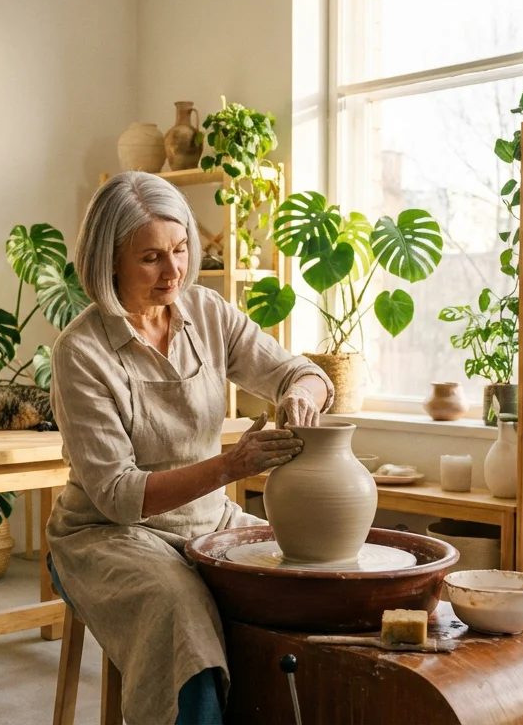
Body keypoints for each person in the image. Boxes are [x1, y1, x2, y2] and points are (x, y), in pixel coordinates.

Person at [46, 171, 333, 724]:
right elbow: (118, 495)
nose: (173, 270)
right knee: (182, 617)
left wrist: (302, 392)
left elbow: (298, 371)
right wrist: (231, 464)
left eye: (179, 250)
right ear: (109, 261)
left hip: (209, 521)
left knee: (298, 585)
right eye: (151, 257)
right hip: (107, 536)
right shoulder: (80, 351)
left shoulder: (207, 312)